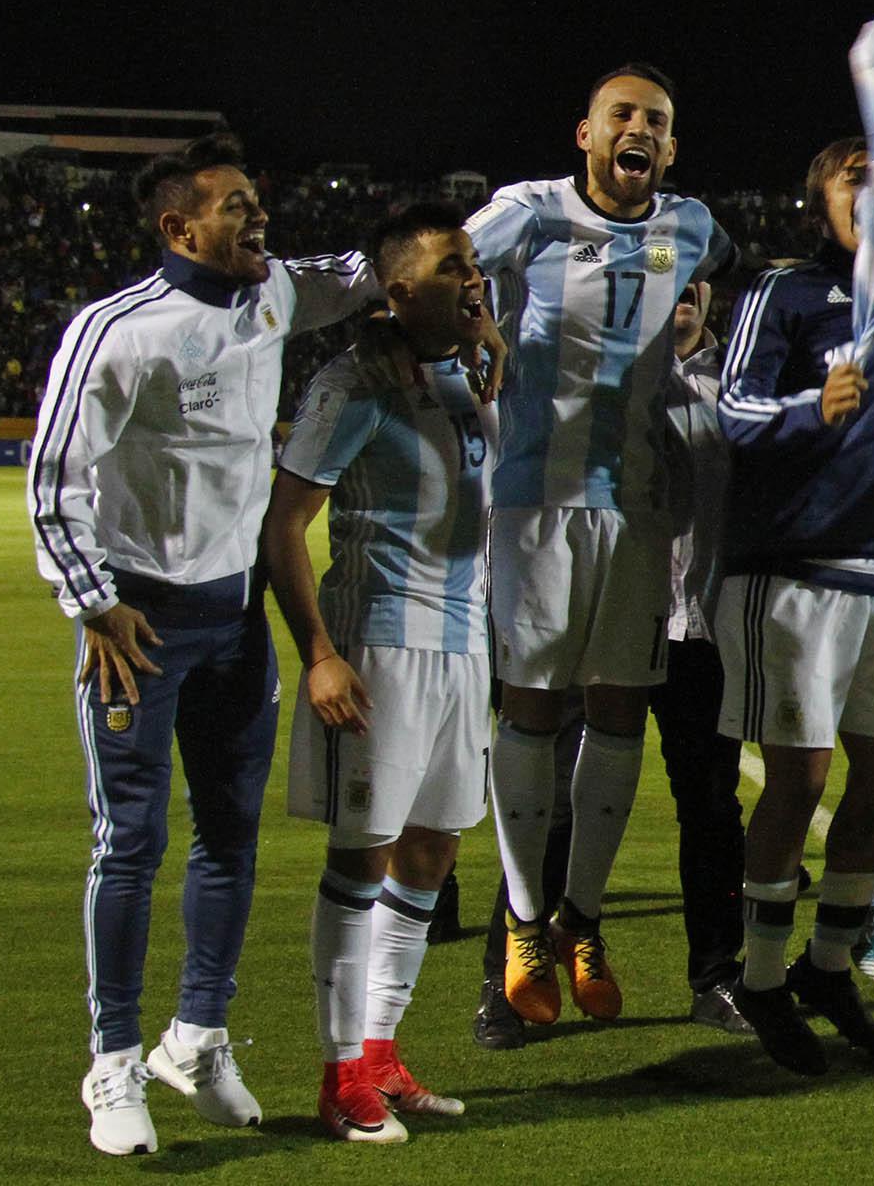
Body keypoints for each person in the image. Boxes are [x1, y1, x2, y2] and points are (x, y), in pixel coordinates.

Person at [29, 134, 383, 1154]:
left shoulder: (275, 295)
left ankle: (199, 1032)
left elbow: (373, 274)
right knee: (130, 843)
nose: (257, 217)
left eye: (256, 201)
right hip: (136, 623)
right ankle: (111, 1059)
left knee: (231, 836)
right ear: (181, 226)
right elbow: (55, 476)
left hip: (233, 620)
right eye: (235, 206)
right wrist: (93, 603)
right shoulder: (114, 330)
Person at [467, 65, 734, 1026]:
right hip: (538, 501)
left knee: (619, 707)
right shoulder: (528, 213)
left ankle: (581, 918)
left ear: (670, 147)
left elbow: (712, 273)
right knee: (536, 707)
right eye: (622, 115)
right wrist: (478, 323)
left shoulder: (693, 227)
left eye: (656, 122)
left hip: (640, 505)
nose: (639, 130)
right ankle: (526, 925)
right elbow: (447, 266)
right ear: (585, 132)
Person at [264, 203, 498, 1140]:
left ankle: (380, 1051)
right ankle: (336, 1076)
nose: (472, 279)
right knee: (361, 859)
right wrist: (319, 655)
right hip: (382, 644)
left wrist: (493, 359)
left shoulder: (461, 374)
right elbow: (283, 527)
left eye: (473, 263)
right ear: (398, 291)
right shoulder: (354, 380)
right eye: (452, 267)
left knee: (433, 851)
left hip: (463, 642)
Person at [711, 137, 874, 1074]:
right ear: (819, 195)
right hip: (788, 572)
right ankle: (758, 978)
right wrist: (809, 406)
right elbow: (732, 411)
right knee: (798, 777)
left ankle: (827, 967)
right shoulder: (783, 291)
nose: (870, 194)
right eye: (851, 178)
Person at [652, 274, 757, 1032]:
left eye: (690, 276)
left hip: (705, 631)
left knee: (713, 808)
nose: (680, 289)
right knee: (560, 799)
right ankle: (511, 975)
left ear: (708, 291)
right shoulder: (610, 374)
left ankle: (717, 977)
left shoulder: (742, 379)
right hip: (615, 618)